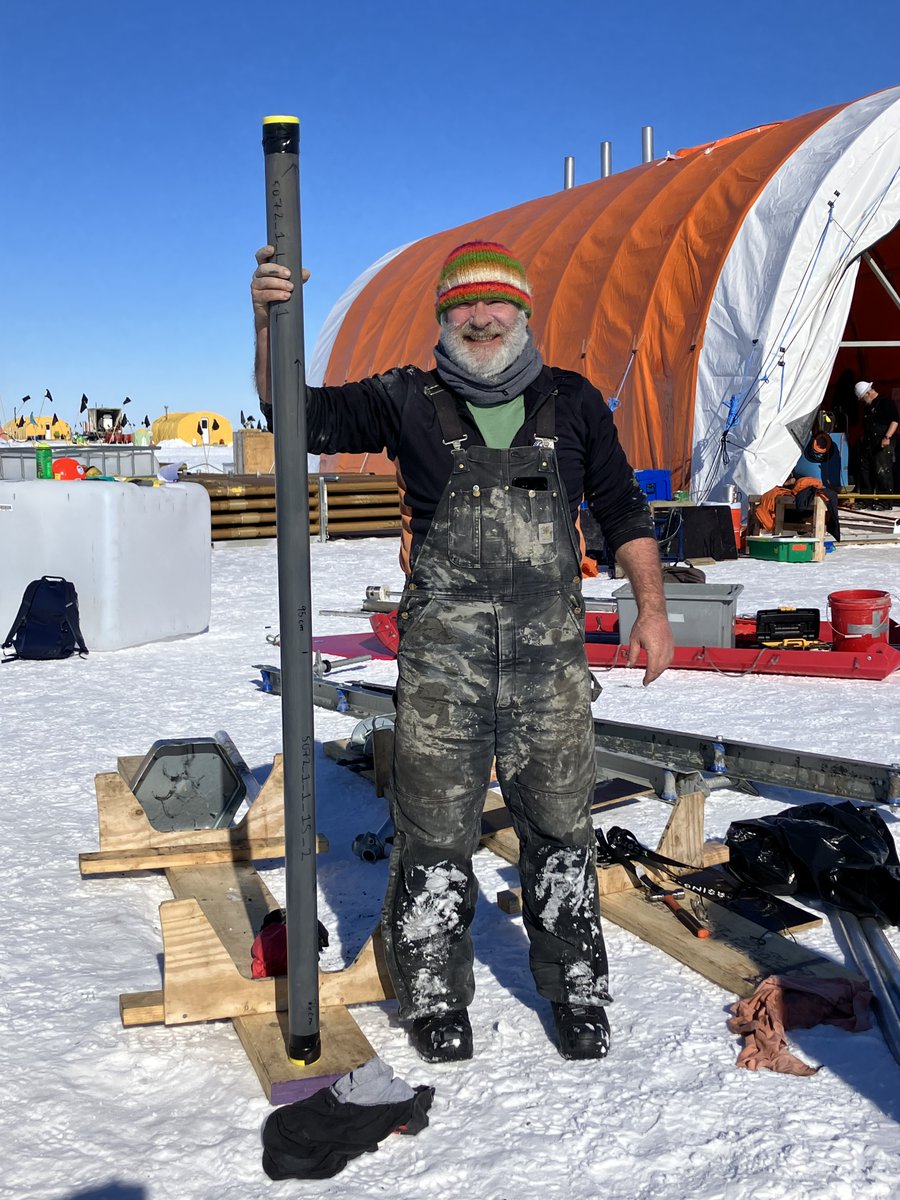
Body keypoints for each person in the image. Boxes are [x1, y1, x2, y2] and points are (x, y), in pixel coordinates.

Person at [252, 240, 674, 1064]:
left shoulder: (575, 401)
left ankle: (578, 989)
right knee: (435, 830)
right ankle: (436, 993)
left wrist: (651, 610)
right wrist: (270, 324)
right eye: (461, 308)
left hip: (549, 664)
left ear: (523, 313)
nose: (480, 319)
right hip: (445, 664)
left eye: (496, 304)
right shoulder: (406, 398)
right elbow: (293, 414)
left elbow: (624, 512)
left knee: (560, 827)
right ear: (442, 319)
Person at [855, 381, 897, 509]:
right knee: (865, 471)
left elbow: (895, 421)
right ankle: (865, 500)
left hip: (882, 442)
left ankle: (885, 502)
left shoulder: (885, 402)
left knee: (882, 471)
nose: (862, 400)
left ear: (868, 393)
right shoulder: (868, 406)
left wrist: (887, 437)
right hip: (868, 442)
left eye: (862, 397)